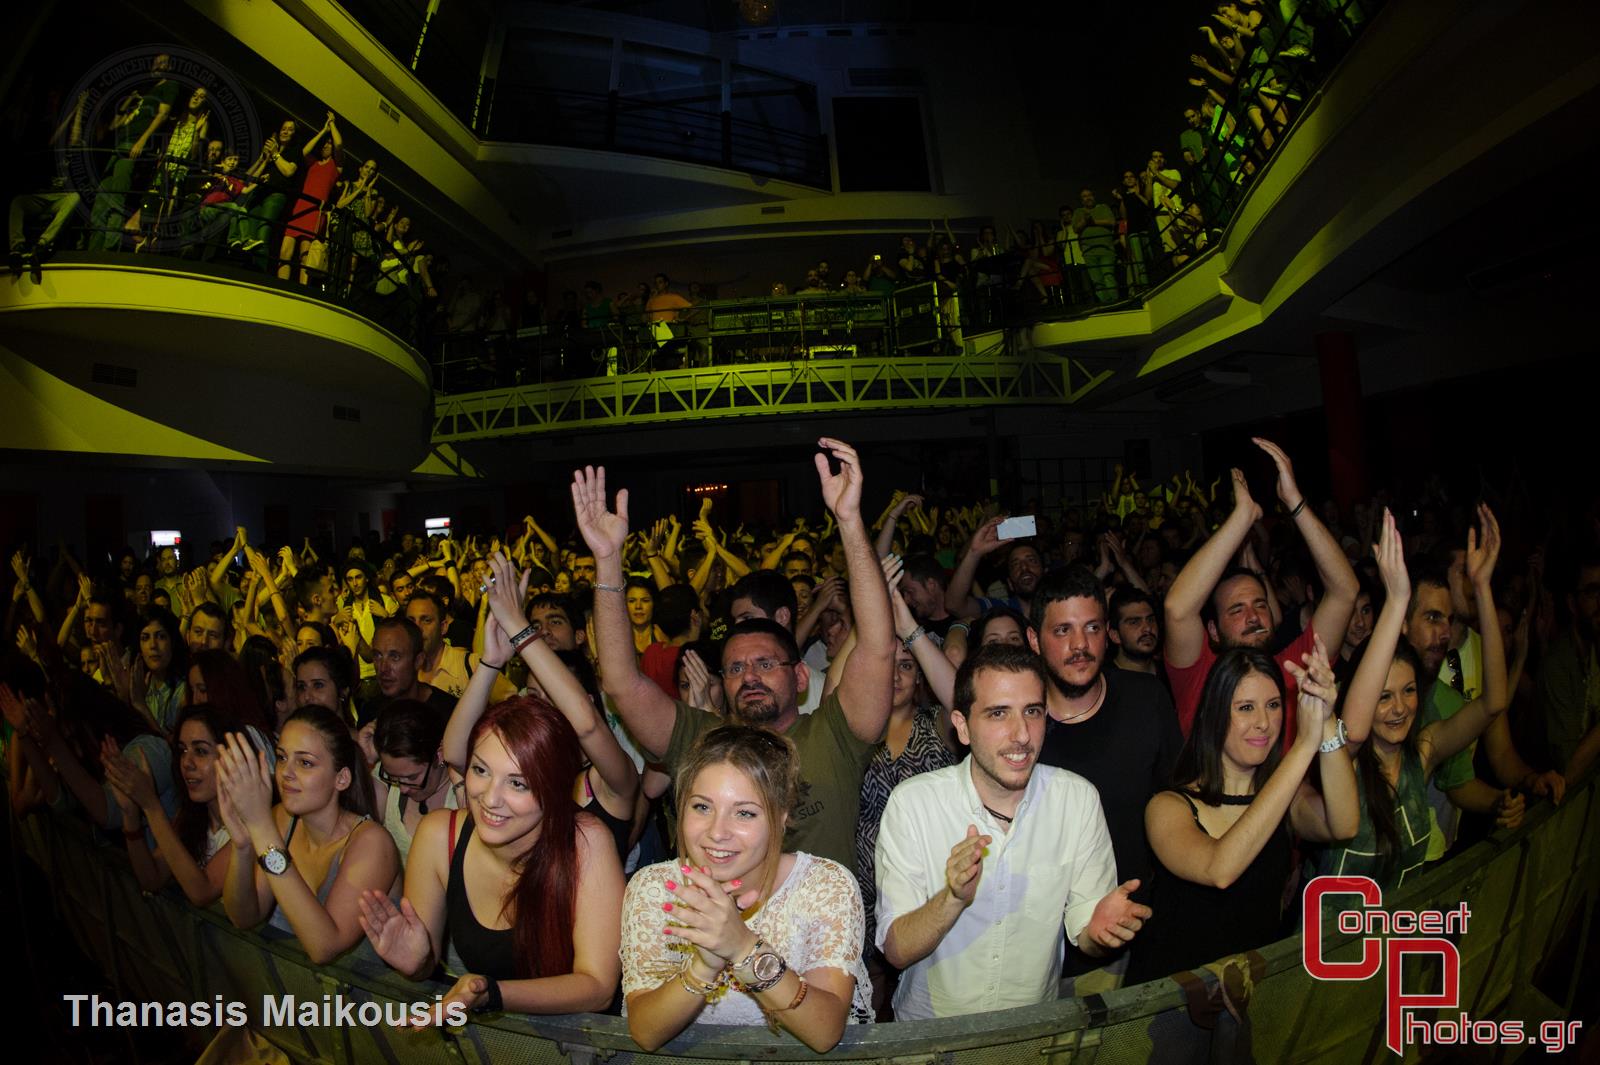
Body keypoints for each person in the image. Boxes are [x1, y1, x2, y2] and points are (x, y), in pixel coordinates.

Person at [577, 438, 894, 872]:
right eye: (736, 668)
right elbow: (620, 683)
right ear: (720, 682)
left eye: (765, 664)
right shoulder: (700, 740)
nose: (750, 676)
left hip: (820, 937)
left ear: (801, 677)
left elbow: (876, 646)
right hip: (713, 936)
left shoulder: (834, 736)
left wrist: (850, 521)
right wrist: (609, 561)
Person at [875, 644, 1146, 1019]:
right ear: (963, 727)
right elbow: (896, 950)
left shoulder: (1076, 800)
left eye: (1032, 712)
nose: (1021, 734)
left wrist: (1100, 936)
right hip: (932, 1035)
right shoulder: (914, 804)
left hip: (1031, 1036)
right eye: (998, 713)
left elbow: (1086, 931)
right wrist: (952, 898)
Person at [356, 696, 624, 1017]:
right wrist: (416, 963)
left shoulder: (586, 843)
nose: (490, 798)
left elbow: (598, 987)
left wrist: (491, 994)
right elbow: (422, 964)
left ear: (553, 788)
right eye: (480, 770)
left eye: (518, 783)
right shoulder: (439, 837)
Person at [620, 726, 872, 1052]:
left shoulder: (825, 885)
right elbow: (645, 1032)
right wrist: (705, 965)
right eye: (701, 807)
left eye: (744, 813)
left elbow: (824, 1032)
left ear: (781, 817)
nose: (717, 832)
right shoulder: (655, 889)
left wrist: (743, 948)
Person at [1127, 638, 1359, 984]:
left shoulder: (1284, 799)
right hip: (1171, 1007)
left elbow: (1344, 824)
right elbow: (1220, 868)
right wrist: (1303, 745)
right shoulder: (1168, 806)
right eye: (1246, 708)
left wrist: (1325, 718)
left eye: (1274, 705)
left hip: (1250, 999)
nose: (1264, 722)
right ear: (1215, 714)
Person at [1314, 510, 1510, 886]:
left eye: (1408, 692)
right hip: (1335, 939)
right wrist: (1396, 601)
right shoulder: (1343, 762)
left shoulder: (1423, 751)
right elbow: (1352, 731)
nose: (1399, 708)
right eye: (1383, 696)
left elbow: (1493, 704)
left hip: (1397, 936)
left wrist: (1482, 589)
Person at [1028, 567, 1181, 984]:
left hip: (1144, 933)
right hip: (1047, 952)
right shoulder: (1021, 729)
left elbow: (1182, 803)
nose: (1080, 645)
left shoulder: (1146, 699)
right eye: (1062, 630)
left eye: (1092, 627)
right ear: (1033, 640)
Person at [445, 552, 640, 863]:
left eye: (555, 698)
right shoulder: (519, 763)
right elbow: (455, 753)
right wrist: (491, 662)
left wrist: (518, 626)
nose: (542, 708)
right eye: (534, 695)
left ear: (584, 702)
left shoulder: (609, 781)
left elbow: (587, 724)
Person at [1164, 442, 1358, 748]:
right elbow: (1177, 609)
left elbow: (1345, 592)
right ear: (1213, 630)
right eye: (1236, 610)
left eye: (1260, 604)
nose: (1253, 616)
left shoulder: (1294, 667)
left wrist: (1294, 502)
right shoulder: (1199, 673)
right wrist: (1242, 517)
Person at [216, 706, 400, 964]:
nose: (286, 773)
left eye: (305, 763)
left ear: (342, 779)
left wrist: (260, 826)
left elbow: (324, 947)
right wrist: (243, 845)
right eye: (281, 758)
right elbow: (244, 917)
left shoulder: (372, 842)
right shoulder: (283, 819)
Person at [106, 705, 245, 906]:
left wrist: (151, 806)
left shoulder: (249, 821)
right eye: (182, 750)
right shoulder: (191, 817)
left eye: (200, 751)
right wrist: (130, 814)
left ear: (232, 757)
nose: (187, 762)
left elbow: (202, 891)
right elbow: (151, 879)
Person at [369, 698, 460, 864]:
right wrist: (366, 759)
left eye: (412, 777)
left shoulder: (462, 794)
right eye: (393, 777)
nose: (403, 789)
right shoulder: (384, 783)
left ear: (439, 755)